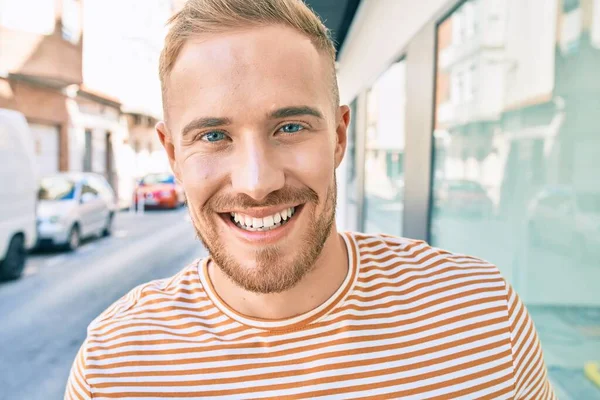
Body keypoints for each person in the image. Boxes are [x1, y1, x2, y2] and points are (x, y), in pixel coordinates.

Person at [65, 0, 556, 398]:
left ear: (340, 137)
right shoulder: (116, 366)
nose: (257, 183)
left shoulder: (482, 317)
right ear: (173, 154)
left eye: (291, 126)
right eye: (214, 136)